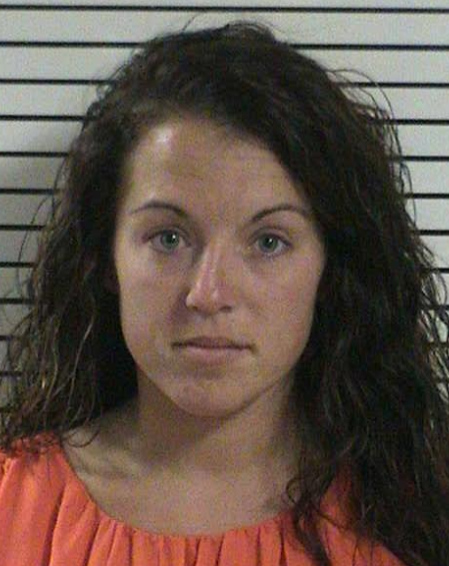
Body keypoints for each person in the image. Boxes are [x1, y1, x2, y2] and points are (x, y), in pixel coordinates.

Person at [0, 20, 448, 566]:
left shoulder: (418, 516)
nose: (208, 294)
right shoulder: (11, 504)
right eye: (168, 238)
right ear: (105, 258)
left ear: (331, 269)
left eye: (268, 242)